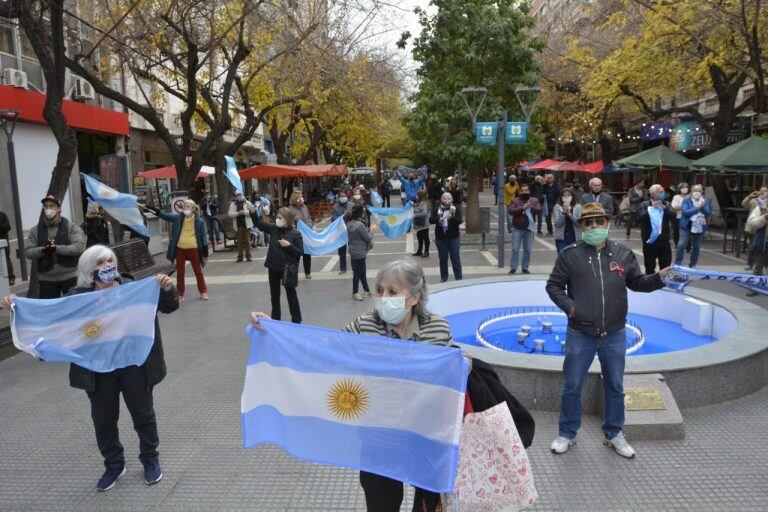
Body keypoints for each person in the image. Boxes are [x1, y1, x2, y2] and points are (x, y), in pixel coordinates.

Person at [3, 245, 179, 491]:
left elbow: (170, 306)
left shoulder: (133, 288)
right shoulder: (78, 299)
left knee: (143, 415)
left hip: (134, 365)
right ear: (88, 269)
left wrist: (168, 290)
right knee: (104, 420)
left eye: (109, 260)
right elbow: (51, 319)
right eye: (99, 262)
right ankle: (114, 465)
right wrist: (19, 308)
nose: (107, 265)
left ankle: (150, 459)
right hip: (98, 370)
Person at [546, 202, 670, 459]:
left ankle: (614, 433)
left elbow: (637, 283)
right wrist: (570, 307)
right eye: (588, 223)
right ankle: (567, 433)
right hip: (580, 333)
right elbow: (554, 286)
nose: (594, 227)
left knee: (615, 385)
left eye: (598, 222)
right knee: (572, 385)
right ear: (581, 226)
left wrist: (660, 277)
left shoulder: (623, 254)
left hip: (614, 333)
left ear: (607, 224)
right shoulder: (569, 255)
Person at [25, 195, 86, 298]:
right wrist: (43, 250)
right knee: (51, 311)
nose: (49, 209)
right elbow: (28, 252)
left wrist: (56, 248)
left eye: (52, 206)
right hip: (46, 279)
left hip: (70, 276)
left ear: (59, 209)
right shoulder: (35, 230)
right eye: (46, 206)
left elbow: (79, 247)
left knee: (73, 308)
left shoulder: (70, 227)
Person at [147, 200, 208, 301]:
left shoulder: (199, 221)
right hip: (180, 249)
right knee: (180, 272)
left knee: (198, 271)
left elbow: (203, 236)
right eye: (184, 206)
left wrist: (205, 250)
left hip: (193, 249)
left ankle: (203, 291)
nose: (185, 208)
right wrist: (154, 210)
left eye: (188, 206)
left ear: (193, 209)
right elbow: (165, 216)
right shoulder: (178, 218)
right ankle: (180, 293)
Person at [253, 208, 303, 323]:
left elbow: (300, 252)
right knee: (274, 295)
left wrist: (289, 245)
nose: (277, 219)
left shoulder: (296, 234)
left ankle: (296, 320)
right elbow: (259, 224)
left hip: (288, 269)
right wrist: (253, 212)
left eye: (280, 218)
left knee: (291, 295)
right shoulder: (273, 228)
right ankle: (276, 319)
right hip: (273, 267)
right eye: (277, 217)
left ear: (287, 220)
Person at [638, 185, 676, 275]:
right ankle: (650, 283)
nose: (661, 193)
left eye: (662, 191)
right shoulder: (644, 204)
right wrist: (651, 209)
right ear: (652, 193)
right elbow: (640, 218)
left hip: (664, 239)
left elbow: (673, 216)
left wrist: (664, 208)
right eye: (658, 191)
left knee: (666, 264)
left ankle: (663, 283)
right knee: (649, 265)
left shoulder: (666, 204)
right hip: (650, 240)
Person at [674, 184, 712, 268]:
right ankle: (678, 263)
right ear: (691, 192)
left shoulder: (705, 201)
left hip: (700, 226)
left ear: (702, 192)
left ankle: (693, 264)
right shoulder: (686, 200)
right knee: (681, 245)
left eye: (699, 191)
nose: (697, 192)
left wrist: (702, 207)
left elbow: (708, 213)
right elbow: (686, 212)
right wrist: (698, 208)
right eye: (695, 191)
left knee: (696, 246)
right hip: (686, 226)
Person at [507, 184, 541, 274]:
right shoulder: (515, 200)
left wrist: (531, 207)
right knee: (515, 249)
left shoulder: (534, 200)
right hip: (517, 228)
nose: (524, 192)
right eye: (522, 190)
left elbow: (539, 209)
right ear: (520, 191)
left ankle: (525, 268)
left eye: (526, 190)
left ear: (529, 191)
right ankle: (513, 267)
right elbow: (510, 211)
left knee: (528, 249)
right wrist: (522, 208)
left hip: (529, 229)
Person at [347, 204, 377, 301]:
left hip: (353, 250)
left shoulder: (349, 223)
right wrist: (372, 230)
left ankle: (366, 290)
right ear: (361, 213)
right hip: (360, 251)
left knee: (360, 271)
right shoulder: (359, 224)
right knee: (358, 272)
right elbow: (367, 237)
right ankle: (355, 292)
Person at [430, 191, 462, 282]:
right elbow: (431, 219)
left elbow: (459, 221)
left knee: (455, 258)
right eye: (444, 198)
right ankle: (444, 278)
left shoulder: (455, 208)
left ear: (452, 199)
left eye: (449, 198)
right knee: (443, 259)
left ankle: (459, 278)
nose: (446, 200)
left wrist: (451, 217)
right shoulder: (437, 208)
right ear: (441, 199)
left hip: (454, 238)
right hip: (441, 238)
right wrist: (440, 219)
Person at [742, 186, 768, 271]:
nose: (764, 193)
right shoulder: (754, 201)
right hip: (753, 228)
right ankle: (751, 264)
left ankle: (761, 265)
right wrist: (750, 196)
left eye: (766, 191)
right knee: (754, 246)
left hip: (764, 231)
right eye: (762, 191)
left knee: (760, 248)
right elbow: (744, 204)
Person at [288, 191, 313, 279]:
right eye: (299, 197)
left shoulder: (304, 207)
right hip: (296, 236)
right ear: (295, 199)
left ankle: (307, 273)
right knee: (296, 255)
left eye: (302, 196)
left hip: (306, 234)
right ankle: (293, 273)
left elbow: (309, 218)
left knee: (307, 254)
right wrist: (294, 220)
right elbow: (288, 223)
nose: (301, 198)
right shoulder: (290, 209)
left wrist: (310, 225)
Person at [745, 202, 768, 297]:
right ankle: (754, 288)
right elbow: (752, 224)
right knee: (758, 267)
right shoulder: (760, 209)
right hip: (764, 244)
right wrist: (764, 218)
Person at [228, 192, 255, 262]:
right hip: (238, 226)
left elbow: (253, 212)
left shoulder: (247, 203)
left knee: (247, 241)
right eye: (237, 196)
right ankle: (240, 256)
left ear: (243, 195)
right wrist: (238, 213)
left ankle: (248, 256)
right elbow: (230, 214)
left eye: (240, 195)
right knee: (239, 242)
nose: (239, 197)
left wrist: (244, 213)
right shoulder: (233, 204)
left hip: (247, 225)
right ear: (236, 197)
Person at [332, 191, 352, 274]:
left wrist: (350, 214)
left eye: (345, 196)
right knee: (342, 252)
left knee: (353, 250)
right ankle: (343, 268)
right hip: (340, 232)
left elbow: (355, 216)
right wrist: (343, 216)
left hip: (351, 230)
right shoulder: (335, 207)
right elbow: (333, 219)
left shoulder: (351, 205)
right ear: (339, 198)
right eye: (342, 196)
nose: (344, 198)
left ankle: (355, 268)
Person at [412, 190, 431, 258]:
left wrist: (415, 215)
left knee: (425, 237)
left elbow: (424, 213)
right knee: (419, 237)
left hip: (424, 224)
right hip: (419, 224)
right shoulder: (420, 203)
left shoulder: (424, 203)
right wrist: (414, 206)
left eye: (417, 195)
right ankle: (419, 251)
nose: (416, 196)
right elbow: (419, 209)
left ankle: (426, 252)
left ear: (420, 196)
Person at [670, 182, 689, 248]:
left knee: (687, 232)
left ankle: (688, 246)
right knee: (677, 232)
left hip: (688, 217)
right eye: (683, 187)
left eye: (686, 187)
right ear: (680, 189)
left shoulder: (689, 197)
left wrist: (681, 206)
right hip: (678, 216)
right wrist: (684, 206)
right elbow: (674, 207)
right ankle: (677, 244)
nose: (685, 189)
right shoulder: (676, 197)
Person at [0, 210, 15, 286]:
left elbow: (8, 227)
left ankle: (11, 278)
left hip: (3, 241)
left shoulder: (2, 215)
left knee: (6, 259)